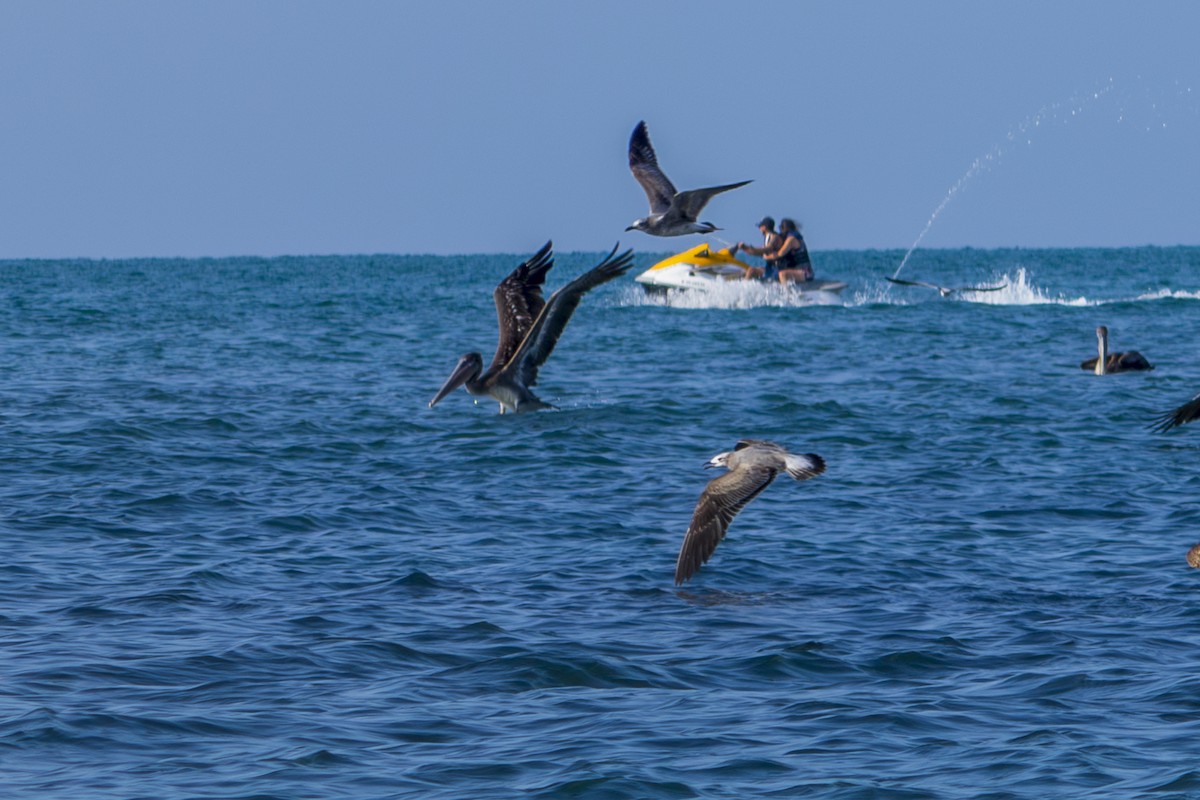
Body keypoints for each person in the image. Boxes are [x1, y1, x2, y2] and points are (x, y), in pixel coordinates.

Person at [772, 218, 814, 284]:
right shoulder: (789, 238)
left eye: (782, 228)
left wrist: (765, 255)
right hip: (796, 271)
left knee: (782, 274)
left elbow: (780, 254)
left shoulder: (791, 239)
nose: (780, 231)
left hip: (805, 272)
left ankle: (787, 293)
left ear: (786, 228)